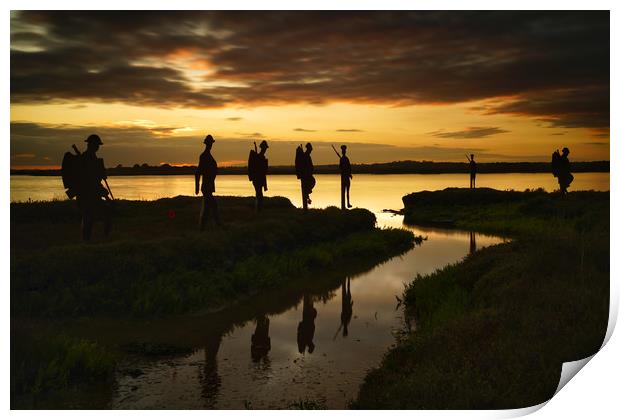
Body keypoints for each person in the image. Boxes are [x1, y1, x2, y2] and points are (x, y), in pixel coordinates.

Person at [75, 134, 112, 241]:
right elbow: (90, 180)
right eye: (96, 144)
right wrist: (104, 193)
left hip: (93, 194)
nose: (97, 147)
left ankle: (99, 239)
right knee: (88, 218)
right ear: (90, 144)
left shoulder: (92, 158)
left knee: (93, 217)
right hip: (86, 195)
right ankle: (89, 241)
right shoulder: (86, 158)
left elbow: (96, 180)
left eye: (98, 145)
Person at [195, 134, 220, 230]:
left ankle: (211, 226)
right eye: (210, 143)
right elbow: (198, 172)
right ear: (207, 144)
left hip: (208, 186)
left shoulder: (208, 156)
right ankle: (204, 227)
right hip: (206, 186)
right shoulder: (204, 156)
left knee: (209, 207)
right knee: (209, 207)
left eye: (211, 143)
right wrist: (197, 187)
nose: (211, 145)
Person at [248, 140, 269, 212]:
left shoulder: (261, 157)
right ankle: (258, 210)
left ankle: (258, 210)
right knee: (259, 195)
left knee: (259, 194)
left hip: (259, 179)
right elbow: (259, 170)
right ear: (262, 148)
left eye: (265, 148)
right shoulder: (259, 157)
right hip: (257, 179)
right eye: (265, 148)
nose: (265, 149)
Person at [295, 143, 315, 211]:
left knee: (310, 185)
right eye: (310, 149)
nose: (311, 151)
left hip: (307, 176)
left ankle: (307, 194)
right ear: (308, 149)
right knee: (311, 183)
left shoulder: (306, 155)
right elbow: (305, 166)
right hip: (306, 176)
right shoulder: (305, 156)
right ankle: (305, 207)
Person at [332, 145, 353, 209]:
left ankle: (347, 204)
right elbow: (345, 168)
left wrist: (349, 174)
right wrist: (348, 174)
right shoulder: (344, 159)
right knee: (345, 192)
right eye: (344, 151)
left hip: (344, 177)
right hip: (344, 177)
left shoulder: (344, 159)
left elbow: (347, 168)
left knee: (345, 192)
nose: (344, 152)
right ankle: (345, 205)